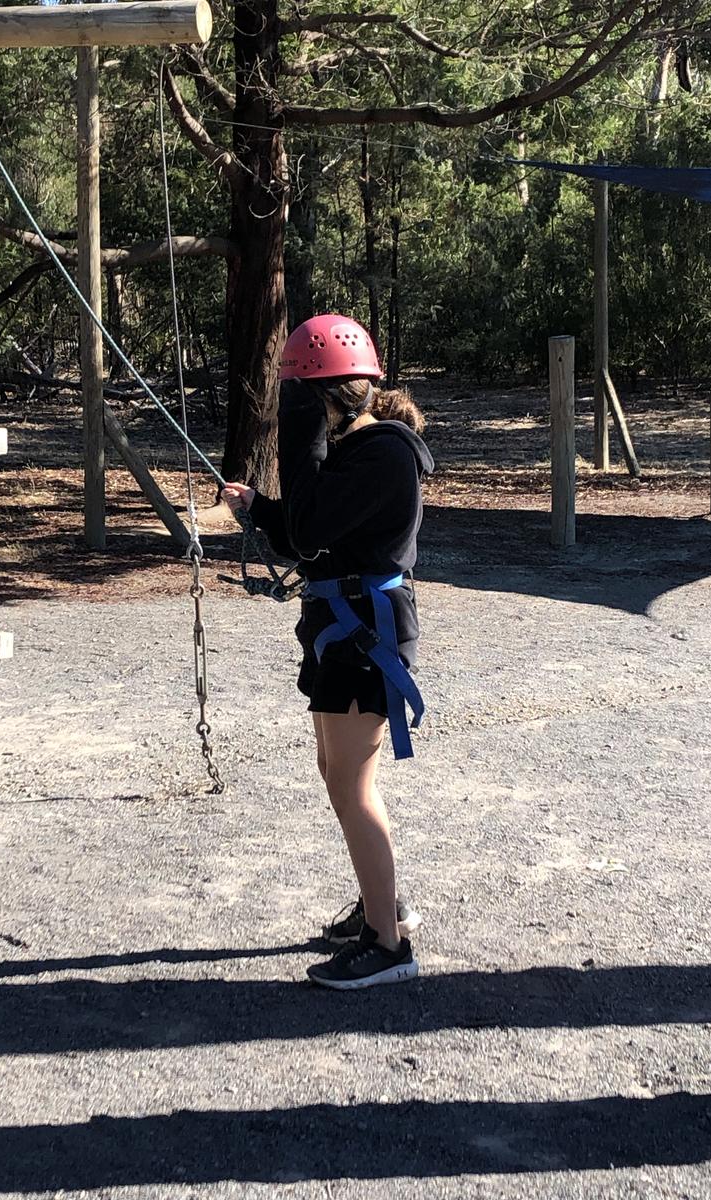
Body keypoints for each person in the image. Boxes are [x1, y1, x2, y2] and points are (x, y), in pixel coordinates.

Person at [223, 314, 434, 990]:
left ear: (323, 399)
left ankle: (389, 945)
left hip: (365, 633)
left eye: (298, 401)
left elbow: (313, 524)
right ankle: (384, 905)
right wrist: (260, 508)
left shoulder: (384, 455)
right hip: (339, 629)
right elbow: (308, 532)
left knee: (352, 783)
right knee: (335, 771)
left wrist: (298, 432)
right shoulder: (354, 451)